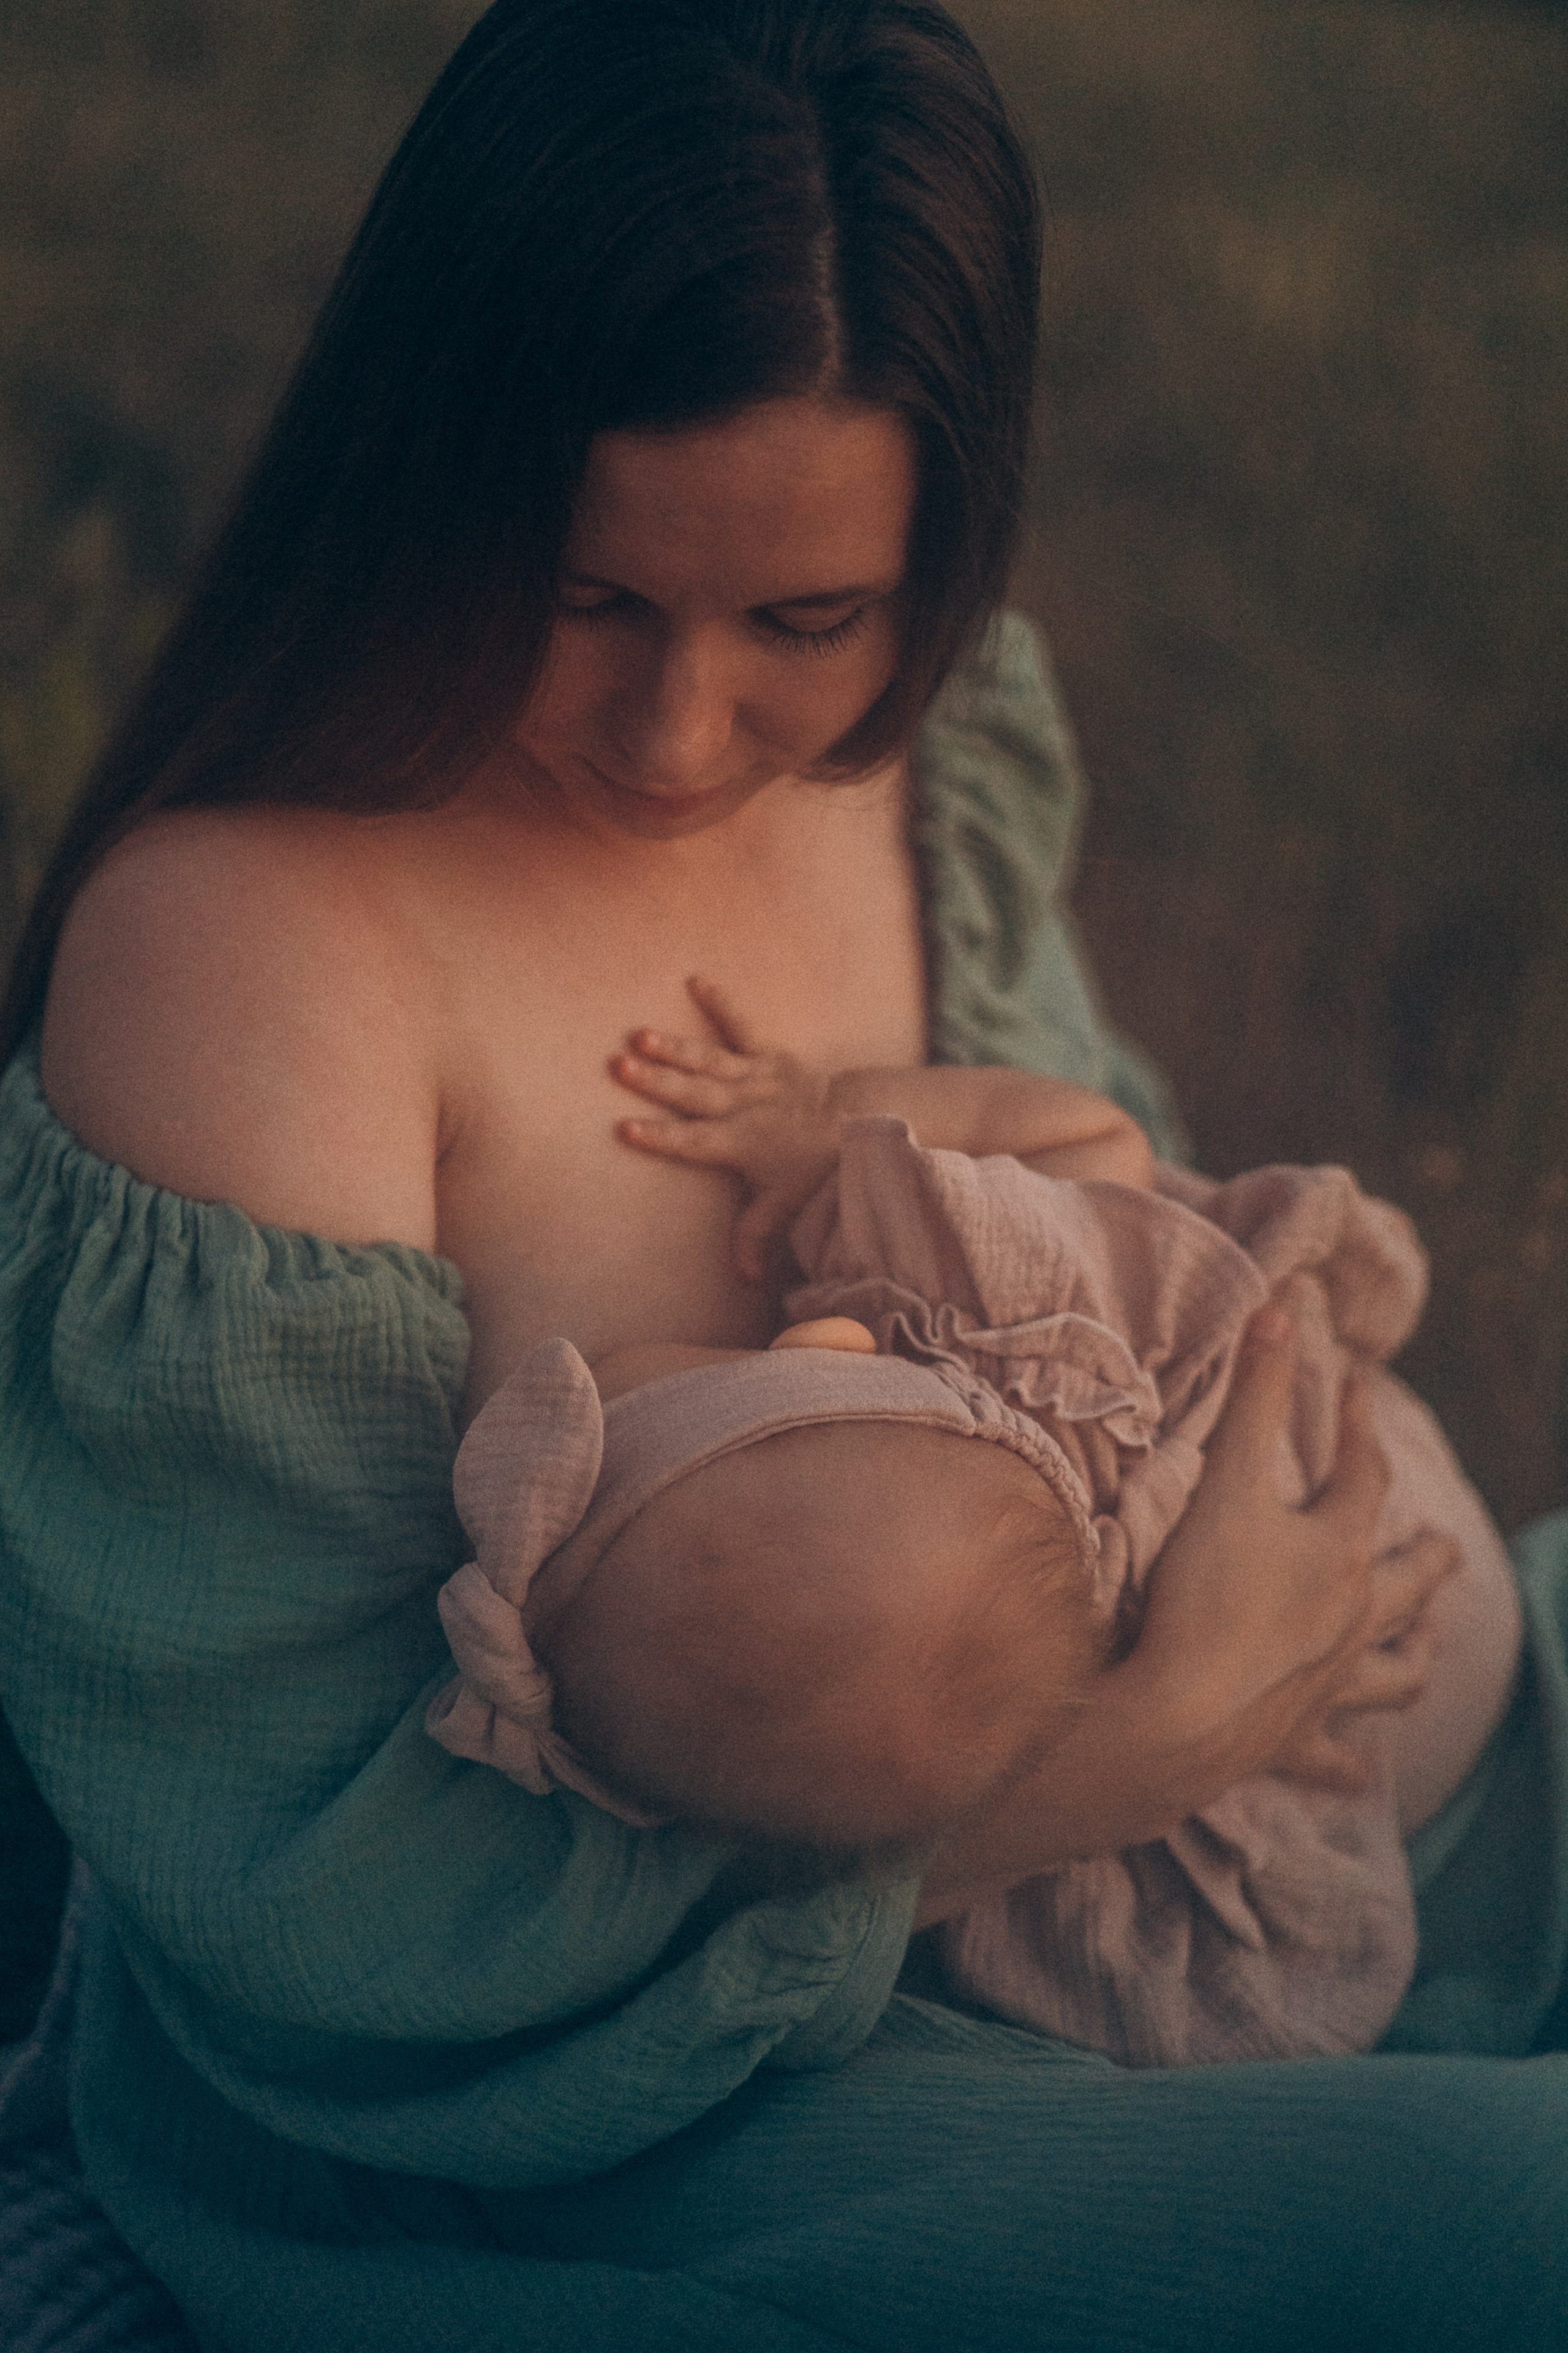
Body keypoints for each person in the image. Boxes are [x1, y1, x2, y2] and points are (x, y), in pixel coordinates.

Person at [0, 3, 1565, 2347]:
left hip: (1264, 1823)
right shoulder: (251, 951)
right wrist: (1121, 1749)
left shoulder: (915, 765)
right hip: (633, 2111)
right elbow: (309, 1920)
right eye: (588, 591)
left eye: (805, 621)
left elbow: (1109, 1225)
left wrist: (1276, 1505)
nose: (682, 731)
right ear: (430, 471)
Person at [429, 1020, 1519, 2066]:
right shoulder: (1000, 1308)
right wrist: (832, 1131)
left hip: (1385, 1737)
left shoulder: (947, 1795)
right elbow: (1096, 1141)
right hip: (1409, 1576)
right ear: (827, 1346)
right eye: (632, 1387)